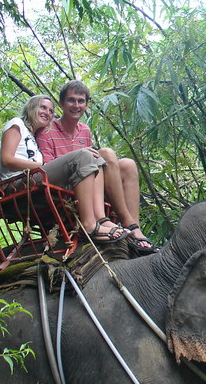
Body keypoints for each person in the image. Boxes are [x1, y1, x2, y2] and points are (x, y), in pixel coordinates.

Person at [36, 80, 157, 254]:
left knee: (127, 164)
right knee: (104, 153)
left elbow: (94, 162)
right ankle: (123, 221)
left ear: (86, 105)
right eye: (71, 100)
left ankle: (134, 227)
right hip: (69, 187)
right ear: (62, 103)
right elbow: (50, 168)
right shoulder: (47, 131)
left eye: (81, 101)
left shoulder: (84, 130)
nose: (76, 105)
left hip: (91, 182)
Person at [0, 95, 129, 242]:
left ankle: (102, 218)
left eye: (50, 111)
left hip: (32, 179)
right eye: (43, 107)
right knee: (83, 155)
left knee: (94, 157)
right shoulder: (17, 124)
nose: (47, 113)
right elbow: (6, 159)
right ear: (31, 107)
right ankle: (89, 225)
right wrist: (41, 166)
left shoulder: (34, 137)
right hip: (16, 184)